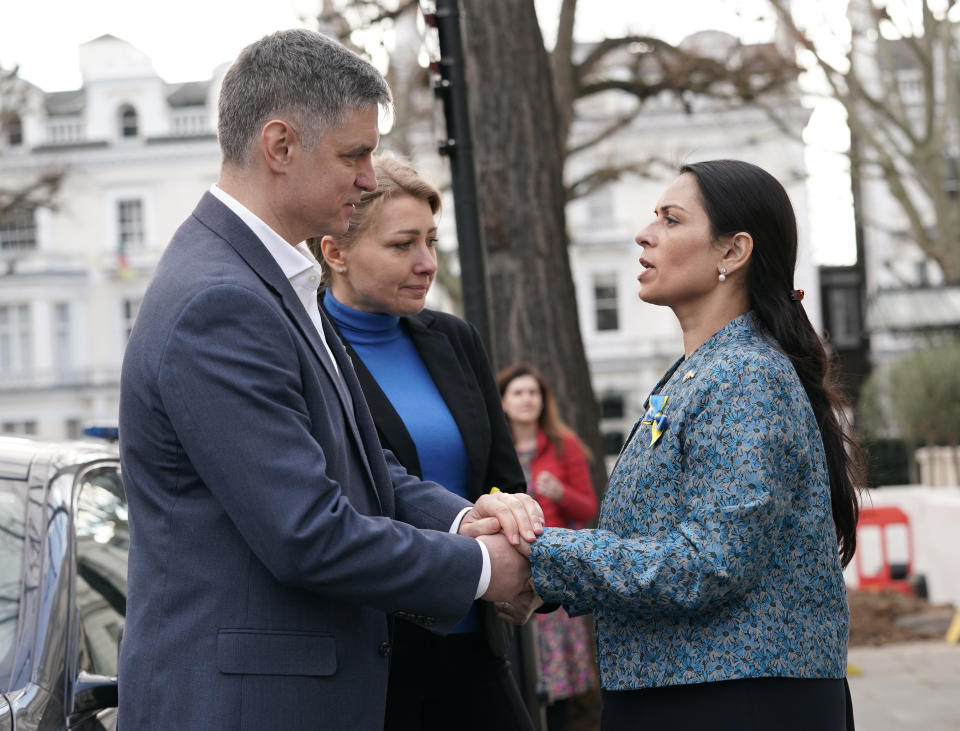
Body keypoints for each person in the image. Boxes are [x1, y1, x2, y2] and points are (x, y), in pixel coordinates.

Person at [118, 30, 541, 731]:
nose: (371, 177)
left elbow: (363, 469)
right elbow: (306, 530)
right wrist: (479, 566)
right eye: (355, 154)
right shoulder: (219, 302)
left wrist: (465, 516)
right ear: (280, 146)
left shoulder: (273, 283)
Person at [521, 160, 863, 730]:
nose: (644, 233)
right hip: (691, 692)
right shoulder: (702, 371)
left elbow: (711, 562)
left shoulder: (745, 376)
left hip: (730, 700)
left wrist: (542, 560)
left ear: (733, 252)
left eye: (671, 219)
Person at [312, 155, 535, 731]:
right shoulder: (308, 352)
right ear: (335, 253)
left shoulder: (454, 339)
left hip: (477, 640)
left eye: (432, 242)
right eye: (402, 245)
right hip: (375, 656)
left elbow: (502, 479)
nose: (427, 264)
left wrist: (519, 549)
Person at [497, 363, 599, 731]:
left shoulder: (563, 444)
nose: (527, 400)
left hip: (552, 573)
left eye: (533, 393)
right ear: (503, 402)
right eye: (518, 393)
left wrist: (561, 493)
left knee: (556, 687)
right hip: (506, 570)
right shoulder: (495, 446)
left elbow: (587, 507)